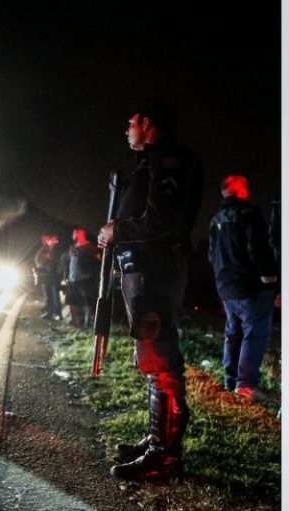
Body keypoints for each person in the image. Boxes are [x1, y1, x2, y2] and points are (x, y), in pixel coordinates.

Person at [98, 99, 203, 481]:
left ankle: (166, 456)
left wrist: (118, 231)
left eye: (130, 123)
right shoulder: (151, 162)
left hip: (155, 272)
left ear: (145, 122)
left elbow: (163, 219)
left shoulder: (171, 161)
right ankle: (156, 439)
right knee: (151, 359)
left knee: (160, 359)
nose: (126, 130)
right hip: (141, 270)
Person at [208, 175, 278, 402]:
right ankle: (246, 384)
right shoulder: (249, 215)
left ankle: (231, 381)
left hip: (226, 287)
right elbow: (258, 249)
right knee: (254, 332)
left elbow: (212, 255)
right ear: (240, 190)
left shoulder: (215, 220)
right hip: (250, 286)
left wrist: (222, 283)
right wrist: (272, 282)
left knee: (234, 332)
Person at [60, 226, 100, 327]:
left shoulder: (88, 245)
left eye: (75, 233)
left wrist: (80, 251)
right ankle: (75, 321)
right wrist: (67, 255)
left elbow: (96, 257)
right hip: (72, 278)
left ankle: (87, 322)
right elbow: (66, 258)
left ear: (80, 233)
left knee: (87, 301)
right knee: (71, 301)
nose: (73, 235)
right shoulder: (73, 246)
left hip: (85, 278)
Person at [34, 234, 62, 320]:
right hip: (46, 276)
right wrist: (44, 264)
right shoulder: (44, 249)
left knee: (55, 295)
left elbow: (59, 261)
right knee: (48, 295)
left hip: (54, 275)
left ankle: (58, 313)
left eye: (48, 239)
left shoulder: (56, 249)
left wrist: (51, 261)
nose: (46, 241)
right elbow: (37, 260)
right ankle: (49, 312)